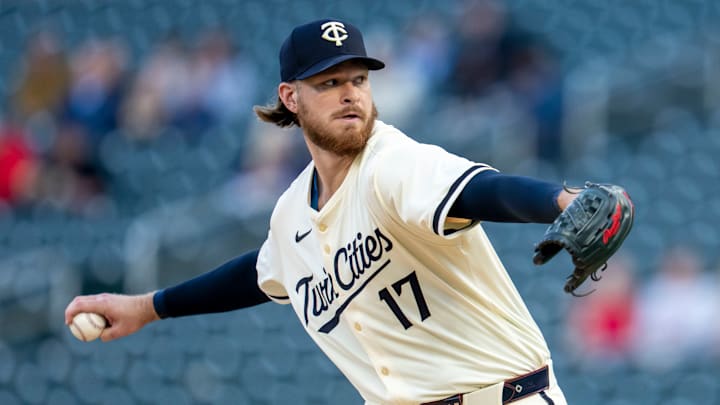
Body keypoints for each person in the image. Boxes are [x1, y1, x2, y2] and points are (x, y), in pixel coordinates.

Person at [65, 19, 585, 405]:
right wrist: (146, 307)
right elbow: (259, 274)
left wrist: (560, 202)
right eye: (329, 83)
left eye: (358, 79)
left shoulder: (393, 163)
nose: (349, 94)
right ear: (290, 97)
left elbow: (483, 191)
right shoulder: (292, 212)